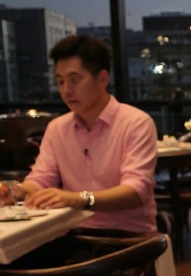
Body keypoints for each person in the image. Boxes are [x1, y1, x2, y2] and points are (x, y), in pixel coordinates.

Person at [9, 35, 158, 233]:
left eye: (75, 80)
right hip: (73, 231)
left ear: (102, 78)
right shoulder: (57, 128)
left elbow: (136, 192)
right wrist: (15, 191)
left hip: (128, 236)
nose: (67, 90)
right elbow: (41, 179)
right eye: (60, 82)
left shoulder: (136, 123)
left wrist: (77, 199)